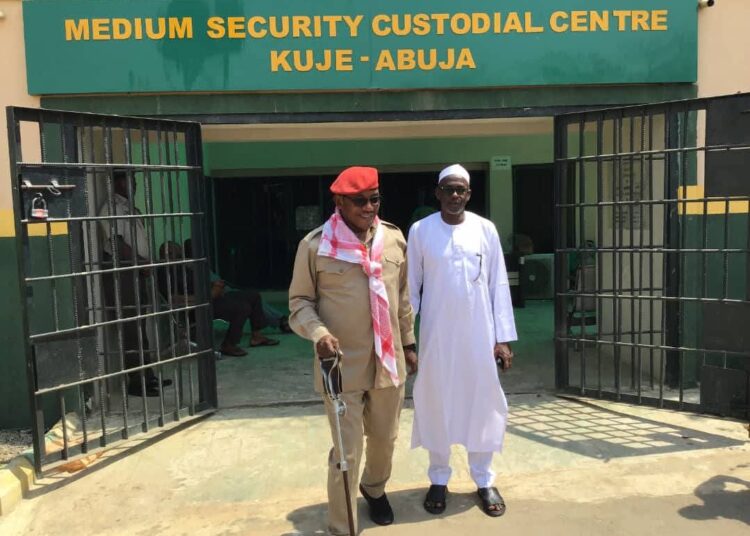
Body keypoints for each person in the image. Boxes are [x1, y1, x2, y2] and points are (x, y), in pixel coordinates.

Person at [288, 166, 417, 535]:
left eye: (374, 199)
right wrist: (319, 333)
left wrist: (408, 343)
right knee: (346, 453)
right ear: (338, 202)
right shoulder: (315, 245)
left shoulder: (393, 239)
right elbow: (299, 302)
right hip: (339, 364)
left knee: (384, 440)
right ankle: (343, 526)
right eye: (359, 200)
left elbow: (403, 298)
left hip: (389, 361)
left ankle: (374, 488)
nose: (368, 207)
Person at [407, 164, 517, 518]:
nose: (455, 195)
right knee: (436, 401)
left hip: (479, 335)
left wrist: (503, 339)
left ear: (469, 195)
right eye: (449, 189)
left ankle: (484, 480)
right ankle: (439, 478)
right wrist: (407, 341)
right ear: (437, 192)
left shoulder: (485, 230)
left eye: (462, 191)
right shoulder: (421, 231)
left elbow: (498, 284)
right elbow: (411, 288)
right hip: (436, 337)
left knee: (481, 401)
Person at [98, 170, 171, 397]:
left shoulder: (130, 207)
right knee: (131, 329)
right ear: (118, 182)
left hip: (136, 272)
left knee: (140, 327)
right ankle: (137, 382)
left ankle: (147, 376)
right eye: (130, 180)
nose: (135, 185)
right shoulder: (112, 208)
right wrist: (141, 263)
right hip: (124, 274)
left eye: (135, 181)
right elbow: (117, 245)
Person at [158, 241, 280, 357]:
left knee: (253, 296)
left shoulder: (183, 268)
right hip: (197, 308)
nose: (179, 257)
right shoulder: (164, 274)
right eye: (175, 254)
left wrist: (215, 286)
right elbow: (174, 300)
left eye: (180, 254)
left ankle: (256, 336)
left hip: (210, 298)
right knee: (242, 307)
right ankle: (229, 344)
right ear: (164, 256)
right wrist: (210, 294)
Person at [183, 239, 292, 335]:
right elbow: (216, 283)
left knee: (254, 297)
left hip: (220, 292)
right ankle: (279, 321)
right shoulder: (193, 265)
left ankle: (279, 320)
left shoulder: (196, 265)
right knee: (252, 298)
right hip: (219, 295)